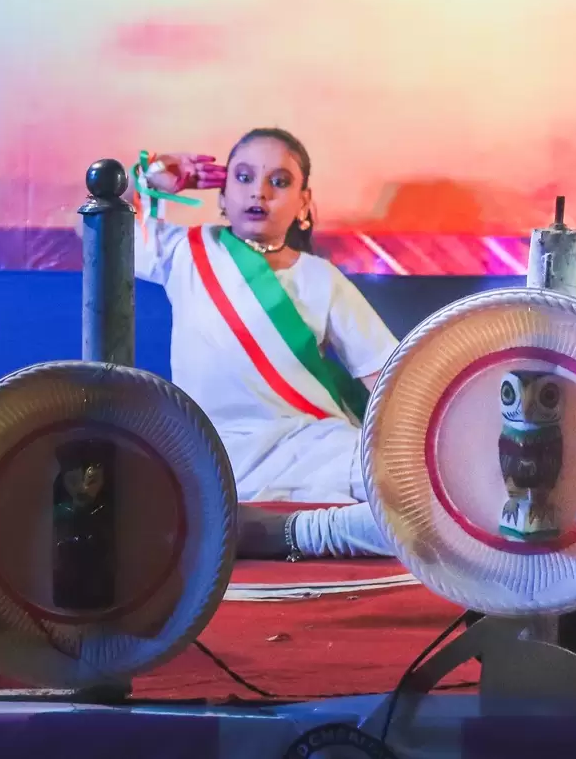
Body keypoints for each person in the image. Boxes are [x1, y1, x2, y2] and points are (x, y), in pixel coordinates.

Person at [134, 128, 405, 557]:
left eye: (279, 182)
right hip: (212, 449)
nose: (258, 192)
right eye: (243, 178)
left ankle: (295, 532)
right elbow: (95, 230)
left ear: (303, 202)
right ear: (222, 195)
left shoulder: (320, 277)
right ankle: (319, 532)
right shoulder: (186, 250)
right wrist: (150, 178)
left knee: (408, 490)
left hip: (311, 446)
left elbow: (390, 379)